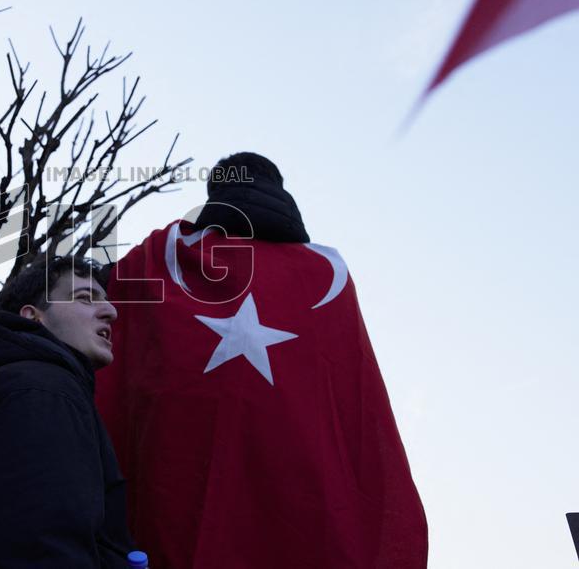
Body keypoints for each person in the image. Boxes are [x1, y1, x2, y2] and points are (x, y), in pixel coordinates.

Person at [96, 152, 429, 568]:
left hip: (175, 477)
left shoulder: (163, 252)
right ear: (280, 191)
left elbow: (104, 320)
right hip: (296, 486)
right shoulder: (328, 272)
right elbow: (356, 396)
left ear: (215, 193)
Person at [0, 255, 135, 568]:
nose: (111, 312)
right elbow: (38, 550)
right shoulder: (42, 391)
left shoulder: (18, 380)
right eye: (84, 298)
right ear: (33, 316)